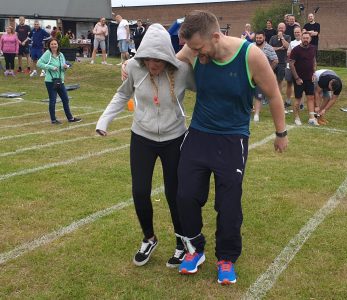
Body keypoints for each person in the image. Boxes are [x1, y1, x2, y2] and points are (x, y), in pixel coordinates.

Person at [175, 10, 288, 285]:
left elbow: (273, 94)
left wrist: (281, 133)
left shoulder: (250, 55)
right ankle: (195, 249)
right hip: (199, 134)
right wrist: (131, 65)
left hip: (232, 138)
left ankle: (226, 258)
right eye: (192, 49)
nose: (196, 55)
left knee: (228, 205)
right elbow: (166, 63)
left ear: (216, 36)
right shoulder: (194, 50)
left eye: (200, 48)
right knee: (185, 196)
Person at [96, 24, 195, 268]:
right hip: (142, 136)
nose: (154, 64)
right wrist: (104, 120)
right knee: (140, 191)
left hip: (174, 138)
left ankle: (181, 243)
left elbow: (205, 89)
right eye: (149, 58)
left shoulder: (182, 70)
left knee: (175, 194)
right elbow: (122, 95)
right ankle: (149, 238)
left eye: (159, 59)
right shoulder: (133, 67)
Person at [37, 38, 81, 124]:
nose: (54, 46)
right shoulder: (47, 54)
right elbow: (39, 63)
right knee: (53, 100)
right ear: (49, 46)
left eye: (55, 44)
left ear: (58, 45)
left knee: (65, 99)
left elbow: (62, 68)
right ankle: (53, 120)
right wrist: (51, 67)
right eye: (52, 44)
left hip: (60, 81)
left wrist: (65, 67)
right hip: (50, 81)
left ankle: (70, 118)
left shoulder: (61, 55)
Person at [289, 31, 318, 126]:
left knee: (310, 97)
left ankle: (312, 118)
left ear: (310, 39)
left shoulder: (313, 48)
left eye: (307, 38)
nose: (305, 39)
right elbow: (291, 64)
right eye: (304, 38)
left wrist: (314, 73)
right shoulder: (296, 50)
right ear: (301, 38)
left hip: (309, 78)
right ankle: (297, 118)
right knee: (298, 98)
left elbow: (314, 61)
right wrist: (297, 78)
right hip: (299, 79)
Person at [253, 30, 278, 122]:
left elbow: (275, 60)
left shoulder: (269, 48)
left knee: (258, 95)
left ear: (264, 38)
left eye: (260, 38)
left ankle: (256, 114)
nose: (258, 39)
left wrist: (268, 71)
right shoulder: (251, 46)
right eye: (257, 38)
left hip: (261, 76)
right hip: (250, 74)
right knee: (246, 94)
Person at [269, 22, 291, 108]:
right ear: (277, 28)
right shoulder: (272, 38)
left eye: (282, 28)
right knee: (270, 79)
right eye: (279, 28)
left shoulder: (287, 37)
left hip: (282, 62)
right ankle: (268, 97)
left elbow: (287, 46)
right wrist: (279, 48)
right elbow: (270, 48)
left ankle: (277, 98)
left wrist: (282, 38)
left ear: (284, 29)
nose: (281, 29)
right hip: (272, 61)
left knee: (280, 80)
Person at [285, 26, 302, 108]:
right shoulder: (292, 43)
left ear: (301, 32)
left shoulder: (304, 42)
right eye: (295, 32)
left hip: (300, 67)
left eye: (298, 32)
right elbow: (288, 54)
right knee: (289, 83)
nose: (296, 34)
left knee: (300, 85)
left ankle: (300, 103)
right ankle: (288, 101)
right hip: (290, 67)